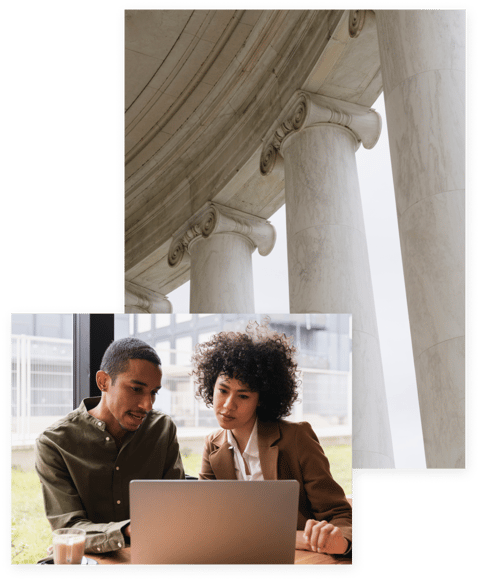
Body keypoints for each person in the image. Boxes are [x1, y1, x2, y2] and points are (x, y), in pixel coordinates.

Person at [192, 321, 352, 556]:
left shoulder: (296, 438)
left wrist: (339, 542)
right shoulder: (213, 445)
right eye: (223, 390)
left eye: (243, 396)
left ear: (261, 399)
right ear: (211, 386)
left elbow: (339, 515)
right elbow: (208, 520)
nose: (227, 405)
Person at [35, 337, 185, 554]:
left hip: (156, 555)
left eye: (153, 392)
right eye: (136, 389)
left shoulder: (162, 428)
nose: (147, 405)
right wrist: (126, 531)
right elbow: (68, 529)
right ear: (103, 382)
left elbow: (177, 507)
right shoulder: (54, 444)